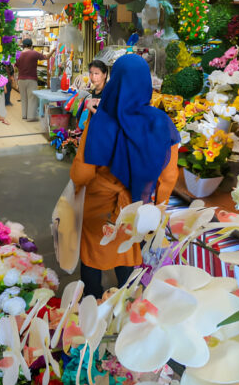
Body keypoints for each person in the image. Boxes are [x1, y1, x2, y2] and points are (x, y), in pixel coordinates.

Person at [69, 54, 180, 300]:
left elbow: (82, 173)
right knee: (128, 251)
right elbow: (169, 175)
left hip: (98, 206)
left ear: (114, 81)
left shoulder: (100, 121)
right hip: (135, 205)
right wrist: (158, 205)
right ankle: (126, 305)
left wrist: (77, 190)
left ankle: (91, 304)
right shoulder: (162, 123)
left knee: (92, 253)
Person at [16, 38, 56, 121]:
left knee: (23, 98)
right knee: (32, 98)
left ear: (23, 46)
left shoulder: (18, 54)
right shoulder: (33, 53)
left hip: (20, 79)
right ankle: (31, 117)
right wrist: (52, 51)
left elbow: (15, 66)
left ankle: (24, 115)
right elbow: (46, 57)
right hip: (31, 79)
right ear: (31, 46)